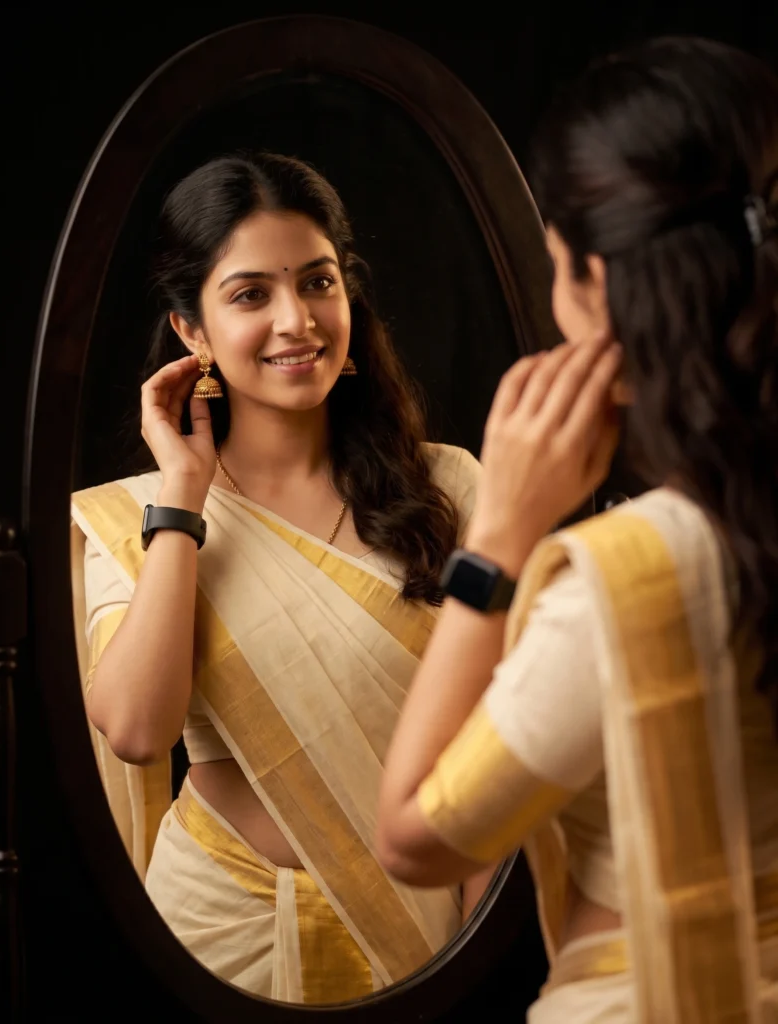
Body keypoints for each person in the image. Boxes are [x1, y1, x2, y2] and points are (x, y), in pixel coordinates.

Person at [376, 37, 777, 1023]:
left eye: (558, 267)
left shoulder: (627, 582)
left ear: (600, 288)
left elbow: (416, 837)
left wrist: (501, 538)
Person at [70, 152, 493, 1003]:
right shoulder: (134, 520)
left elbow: (495, 744)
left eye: (318, 282)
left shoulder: (449, 489)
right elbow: (137, 731)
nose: (296, 320)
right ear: (191, 330)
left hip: (421, 931)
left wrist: (478, 957)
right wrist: (183, 500)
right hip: (221, 935)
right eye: (251, 294)